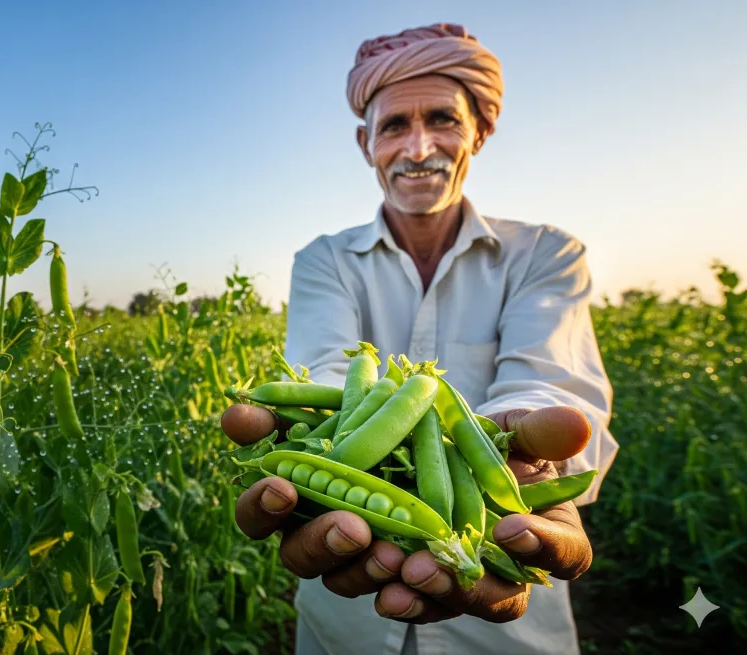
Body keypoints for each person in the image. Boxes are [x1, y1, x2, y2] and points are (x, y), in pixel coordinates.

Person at [219, 23, 619, 655]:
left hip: (509, 631)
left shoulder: (545, 253)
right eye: (394, 126)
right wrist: (339, 446)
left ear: (479, 132)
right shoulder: (325, 260)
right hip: (343, 616)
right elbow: (324, 373)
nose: (419, 146)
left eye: (442, 120)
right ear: (365, 143)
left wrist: (510, 446)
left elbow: (547, 377)